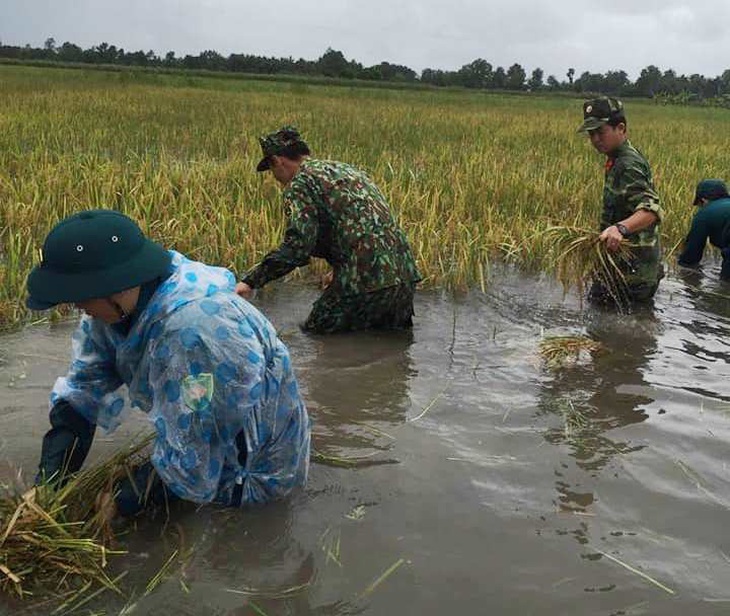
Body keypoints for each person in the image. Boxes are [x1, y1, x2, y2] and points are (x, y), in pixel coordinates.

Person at [26, 209, 310, 516]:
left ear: (116, 287)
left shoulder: (195, 330)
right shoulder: (110, 313)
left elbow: (197, 445)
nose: (78, 306)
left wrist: (121, 501)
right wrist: (49, 485)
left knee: (233, 533)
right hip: (202, 434)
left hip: (251, 462)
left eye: (80, 297)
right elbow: (83, 392)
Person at [236, 126, 421, 334]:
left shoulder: (299, 183)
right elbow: (366, 224)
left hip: (365, 279)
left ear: (278, 160)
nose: (274, 176)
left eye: (271, 169)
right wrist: (341, 268)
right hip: (405, 275)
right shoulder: (347, 171)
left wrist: (250, 282)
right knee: (393, 348)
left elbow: (298, 247)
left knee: (315, 335)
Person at [578, 97, 664, 305]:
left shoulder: (627, 164)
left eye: (601, 132)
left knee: (619, 328)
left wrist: (620, 228)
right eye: (591, 134)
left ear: (621, 128)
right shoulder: (616, 157)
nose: (596, 139)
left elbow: (652, 210)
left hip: (633, 272)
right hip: (622, 265)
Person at [677, 179, 730, 280]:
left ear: (703, 200)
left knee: (724, 287)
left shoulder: (704, 214)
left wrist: (683, 265)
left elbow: (692, 251)